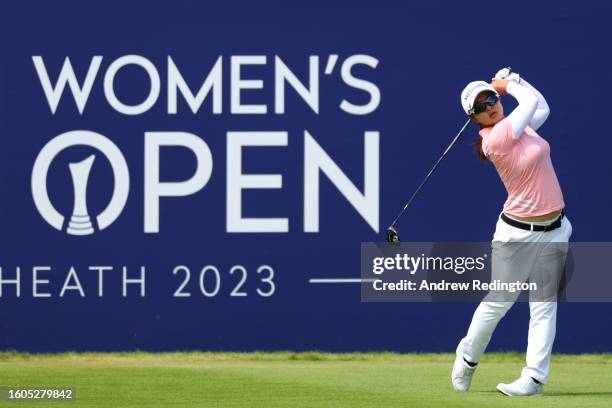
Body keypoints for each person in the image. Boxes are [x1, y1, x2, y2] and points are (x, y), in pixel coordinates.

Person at [451, 68, 572, 396]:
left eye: (491, 98)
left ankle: (533, 379)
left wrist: (517, 81)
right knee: (500, 301)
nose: (490, 106)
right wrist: (510, 85)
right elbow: (529, 100)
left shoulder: (521, 126)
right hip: (516, 235)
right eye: (481, 106)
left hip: (555, 230)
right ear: (474, 119)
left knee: (544, 304)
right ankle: (467, 357)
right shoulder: (498, 138)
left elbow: (541, 106)